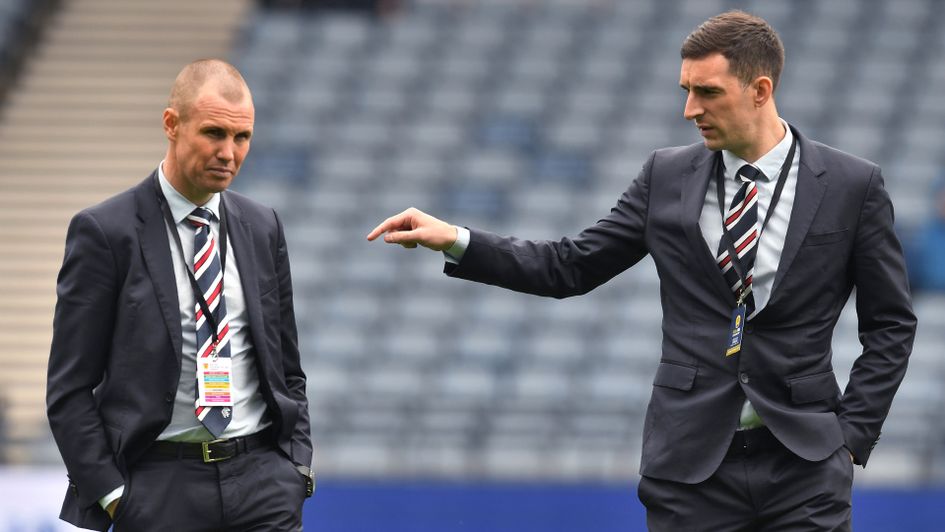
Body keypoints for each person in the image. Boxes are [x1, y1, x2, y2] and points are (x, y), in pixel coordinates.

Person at [367, 11, 916, 531]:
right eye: (686, 91)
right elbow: (570, 267)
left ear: (761, 90)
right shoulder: (665, 175)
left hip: (805, 464)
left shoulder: (852, 185)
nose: (690, 109)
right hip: (691, 467)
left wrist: (850, 436)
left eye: (707, 92)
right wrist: (459, 240)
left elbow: (890, 322)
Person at [46, 59, 314, 532]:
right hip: (158, 489)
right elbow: (68, 390)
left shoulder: (263, 226)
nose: (228, 153)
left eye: (242, 138)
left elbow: (287, 365)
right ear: (172, 125)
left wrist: (296, 468)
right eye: (214, 133)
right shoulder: (105, 232)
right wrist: (114, 495)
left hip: (263, 485)